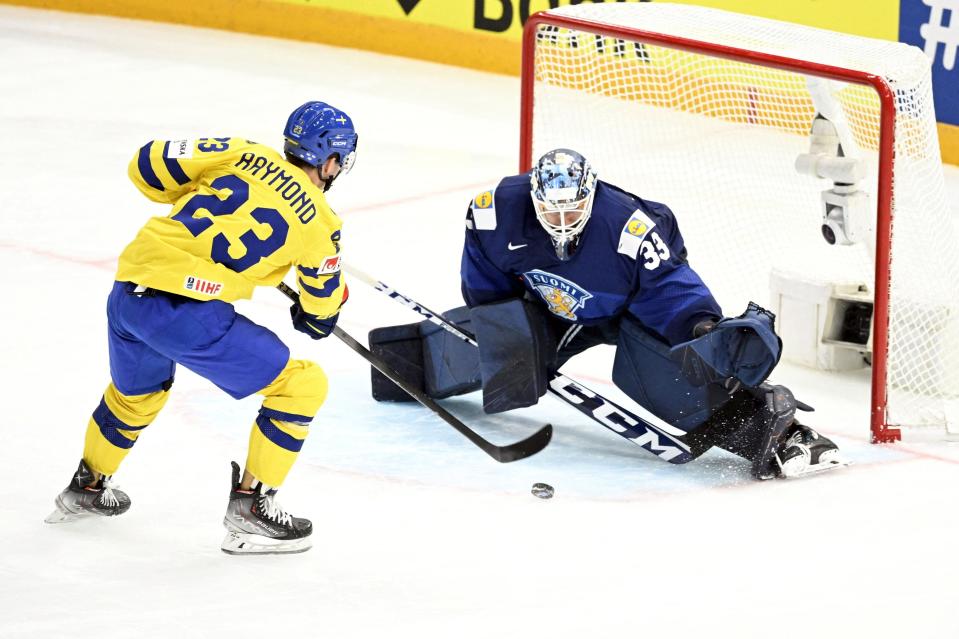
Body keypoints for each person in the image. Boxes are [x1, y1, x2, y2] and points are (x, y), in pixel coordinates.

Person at [372, 148, 844, 479]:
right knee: (499, 348)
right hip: (552, 307)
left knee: (675, 379)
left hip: (631, 308)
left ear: (590, 196)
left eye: (571, 211)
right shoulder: (495, 212)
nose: (560, 224)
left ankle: (779, 430)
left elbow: (669, 289)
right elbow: (485, 283)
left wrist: (701, 328)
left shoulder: (629, 230)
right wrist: (507, 334)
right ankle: (407, 361)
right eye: (549, 213)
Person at [45, 101, 358, 554]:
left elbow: (147, 165)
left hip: (130, 291)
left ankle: (87, 487)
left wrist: (193, 191)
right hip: (187, 309)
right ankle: (253, 508)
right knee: (302, 386)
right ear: (330, 161)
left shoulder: (240, 151)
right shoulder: (322, 224)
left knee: (136, 395)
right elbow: (321, 310)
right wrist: (316, 313)